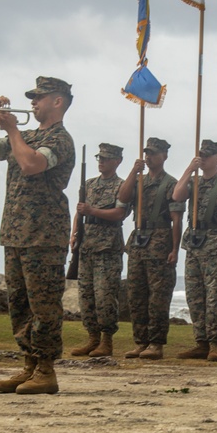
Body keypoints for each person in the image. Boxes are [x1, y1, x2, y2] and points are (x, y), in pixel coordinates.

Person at [0, 76, 75, 395]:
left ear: (57, 101)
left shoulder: (60, 139)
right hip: (16, 232)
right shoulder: (28, 135)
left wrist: (13, 130)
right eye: (32, 97)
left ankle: (46, 370)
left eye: (39, 97)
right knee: (19, 304)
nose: (33, 102)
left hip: (44, 234)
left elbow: (32, 164)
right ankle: (29, 365)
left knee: (43, 305)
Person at [116, 137, 184, 360]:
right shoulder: (138, 182)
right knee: (136, 294)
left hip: (160, 241)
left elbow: (176, 219)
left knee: (158, 297)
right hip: (138, 241)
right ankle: (141, 341)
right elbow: (122, 198)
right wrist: (133, 173)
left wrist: (175, 249)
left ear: (164, 156)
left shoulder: (171, 183)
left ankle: (156, 343)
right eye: (147, 153)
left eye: (154, 153)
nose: (149, 157)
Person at [172, 139, 217, 362]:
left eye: (207, 156)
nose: (203, 159)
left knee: (215, 297)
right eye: (201, 155)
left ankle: (215, 344)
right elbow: (177, 195)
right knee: (194, 296)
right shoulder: (194, 182)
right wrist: (189, 169)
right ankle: (200, 341)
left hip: (215, 243)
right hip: (194, 243)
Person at [69, 143, 128, 359]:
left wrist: (92, 210)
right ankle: (92, 338)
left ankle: (106, 341)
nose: (101, 161)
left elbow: (120, 213)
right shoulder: (89, 184)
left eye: (106, 158)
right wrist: (75, 233)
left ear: (117, 161)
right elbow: (79, 211)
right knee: (86, 295)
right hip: (87, 246)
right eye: (99, 157)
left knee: (105, 295)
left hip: (108, 246)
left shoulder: (122, 186)